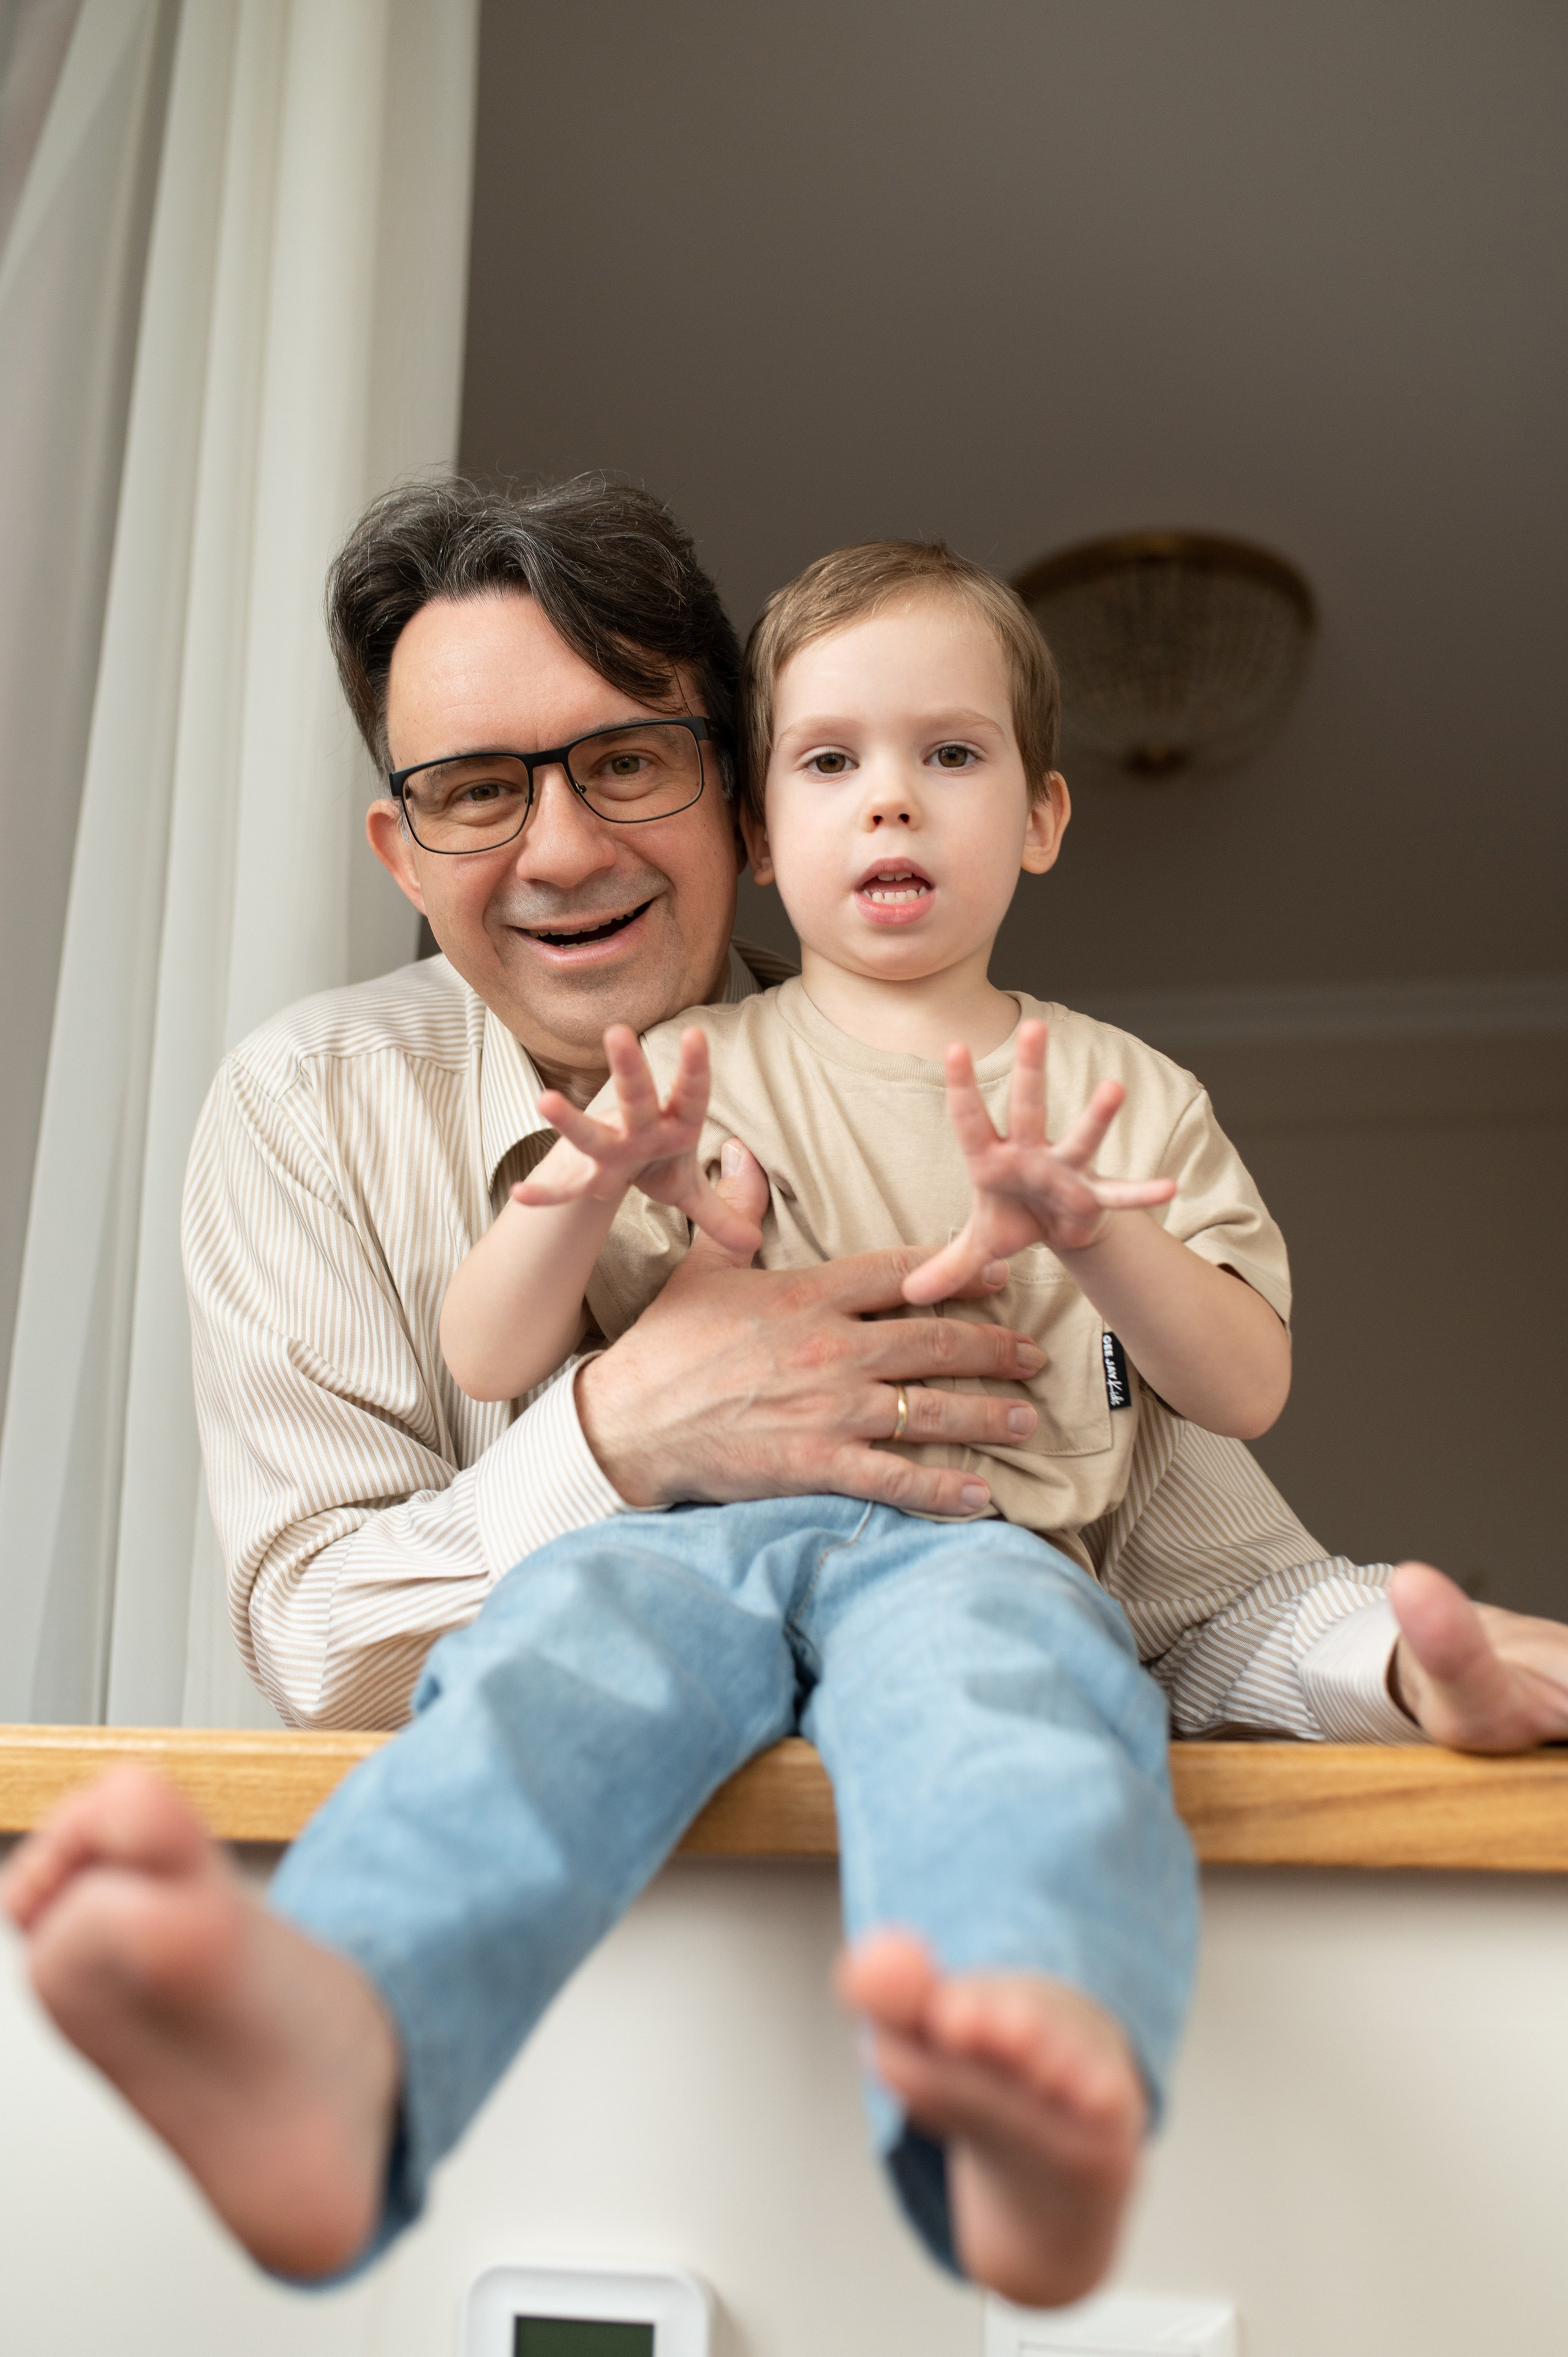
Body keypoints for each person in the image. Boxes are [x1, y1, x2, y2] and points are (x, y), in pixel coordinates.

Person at [4, 484, 1566, 2290]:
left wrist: (1400, 1657)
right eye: (477, 788)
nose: (561, 847)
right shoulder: (322, 1108)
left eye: (626, 760)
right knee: (573, 1644)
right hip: (598, 2034)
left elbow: (1188, 1597)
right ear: (402, 846)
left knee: (1019, 1662)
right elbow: (327, 1629)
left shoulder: (1050, 1093)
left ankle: (1036, 2097)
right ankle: (341, 2044)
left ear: (729, 802)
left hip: (951, 1638)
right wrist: (625, 1429)